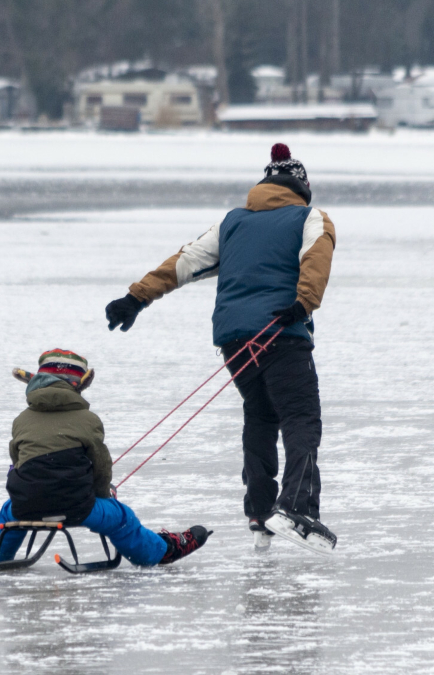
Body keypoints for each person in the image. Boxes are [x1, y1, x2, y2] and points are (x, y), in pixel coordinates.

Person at [103, 144, 338, 554]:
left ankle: (261, 510)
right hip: (283, 331)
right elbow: (315, 259)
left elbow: (184, 261)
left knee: (261, 416)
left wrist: (136, 298)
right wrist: (304, 303)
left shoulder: (232, 222)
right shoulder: (309, 217)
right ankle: (295, 508)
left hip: (234, 341)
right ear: (302, 187)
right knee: (301, 419)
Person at [0, 348, 211, 566]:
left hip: (26, 505)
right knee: (122, 518)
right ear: (79, 386)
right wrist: (104, 492)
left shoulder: (21, 420)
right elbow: (101, 468)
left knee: (9, 511)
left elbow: (17, 464)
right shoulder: (88, 420)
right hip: (80, 508)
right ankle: (159, 551)